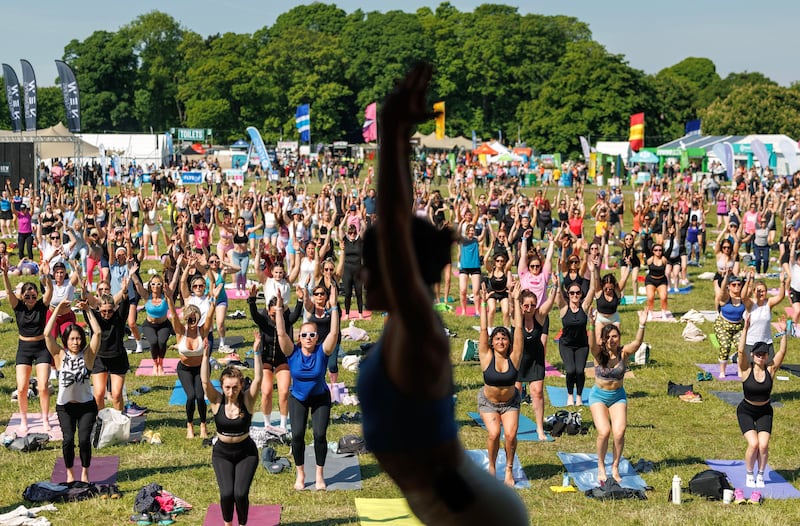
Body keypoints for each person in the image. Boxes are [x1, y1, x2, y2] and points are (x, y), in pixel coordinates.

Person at [357, 63, 528, 525]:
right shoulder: (404, 328)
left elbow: (394, 225)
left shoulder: (419, 329)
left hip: (476, 514)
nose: (363, 279)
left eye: (372, 268)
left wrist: (392, 132)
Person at [274, 285, 339, 490]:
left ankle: (319, 475)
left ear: (317, 338)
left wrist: (335, 307)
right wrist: (278, 308)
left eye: (312, 335)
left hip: (320, 398)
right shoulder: (292, 353)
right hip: (298, 398)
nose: (308, 338)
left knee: (320, 435)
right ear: (299, 338)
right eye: (304, 335)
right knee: (298, 435)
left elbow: (335, 332)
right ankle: (300, 474)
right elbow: (281, 332)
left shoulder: (323, 351)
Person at [201, 331, 263, 526]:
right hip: (222, 453)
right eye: (227, 387)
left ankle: (243, 524)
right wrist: (205, 356)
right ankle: (228, 524)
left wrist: (257, 353)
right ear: (222, 386)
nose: (231, 391)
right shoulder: (217, 401)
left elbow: (259, 379)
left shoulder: (247, 400)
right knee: (227, 493)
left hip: (246, 452)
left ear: (241, 386)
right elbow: (204, 382)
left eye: (235, 387)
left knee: (240, 493)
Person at [588, 307, 649, 485]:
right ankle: (601, 466)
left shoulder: (624, 353)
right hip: (599, 396)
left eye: (615, 336)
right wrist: (591, 324)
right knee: (604, 432)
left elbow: (637, 343)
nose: (612, 340)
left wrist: (642, 324)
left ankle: (614, 466)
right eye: (608, 337)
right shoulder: (598, 354)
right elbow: (591, 343)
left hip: (617, 396)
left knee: (620, 432)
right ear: (604, 339)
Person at [44, 300, 102, 483]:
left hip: (86, 407)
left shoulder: (88, 355)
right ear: (66, 341)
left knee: (84, 440)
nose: (76, 342)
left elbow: (98, 333)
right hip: (65, 408)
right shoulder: (60, 355)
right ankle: (70, 473)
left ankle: (85, 473)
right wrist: (58, 311)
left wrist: (88, 311)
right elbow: (46, 334)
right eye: (72, 339)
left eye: (78, 338)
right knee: (68, 440)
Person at [476, 283, 524, 486]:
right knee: (495, 433)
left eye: (504, 338)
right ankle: (493, 467)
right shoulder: (486, 356)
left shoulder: (515, 356)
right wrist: (486, 302)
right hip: (489, 402)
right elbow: (484, 329)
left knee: (511, 436)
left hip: (511, 402)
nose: (501, 341)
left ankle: (509, 469)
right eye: (497, 338)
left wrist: (514, 300)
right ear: (492, 343)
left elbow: (519, 328)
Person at [736, 313, 789, 489]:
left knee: (764, 445)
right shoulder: (745, 370)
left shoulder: (771, 370)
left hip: (765, 410)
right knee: (754, 443)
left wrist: (783, 334)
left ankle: (760, 474)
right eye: (758, 354)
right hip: (746, 410)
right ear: (753, 356)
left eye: (763, 354)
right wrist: (745, 327)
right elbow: (741, 351)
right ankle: (749, 474)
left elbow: (782, 352)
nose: (761, 356)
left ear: (766, 356)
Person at [3, 259, 54, 434]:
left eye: (33, 296)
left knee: (43, 386)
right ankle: (24, 419)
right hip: (23, 348)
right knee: (22, 387)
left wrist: (45, 275)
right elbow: (9, 291)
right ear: (22, 296)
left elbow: (50, 291)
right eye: (27, 296)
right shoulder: (18, 308)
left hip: (41, 347)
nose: (31, 299)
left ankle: (45, 418)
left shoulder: (41, 305)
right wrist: (4, 273)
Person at [248, 284, 304, 430]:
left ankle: (283, 424)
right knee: (266, 391)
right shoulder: (264, 320)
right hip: (266, 360)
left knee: (284, 392)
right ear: (268, 311)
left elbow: (296, 314)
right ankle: (267, 424)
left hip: (282, 360)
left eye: (276, 314)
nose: (274, 318)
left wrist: (300, 300)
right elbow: (254, 315)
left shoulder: (286, 319)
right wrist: (252, 300)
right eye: (272, 314)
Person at [167, 281, 218, 439]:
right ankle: (190, 425)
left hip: (201, 367)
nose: (192, 323)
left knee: (200, 396)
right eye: (189, 319)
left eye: (194, 319)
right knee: (190, 396)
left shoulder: (202, 331)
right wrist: (169, 298)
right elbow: (174, 315)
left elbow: (209, 316)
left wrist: (214, 301)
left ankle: (203, 424)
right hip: (185, 369)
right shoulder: (180, 332)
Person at [515, 279, 558, 442]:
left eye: (532, 305)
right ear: (521, 306)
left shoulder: (539, 317)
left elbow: (549, 304)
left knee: (537, 393)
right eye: (526, 305)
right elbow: (513, 308)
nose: (529, 308)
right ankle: (514, 426)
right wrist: (514, 296)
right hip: (518, 360)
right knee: (515, 394)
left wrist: (554, 287)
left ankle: (539, 428)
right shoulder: (516, 318)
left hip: (535, 360)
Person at [556, 266, 597, 406]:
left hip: (581, 345)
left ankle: (578, 396)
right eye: (572, 293)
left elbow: (592, 290)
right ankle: (569, 396)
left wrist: (592, 271)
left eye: (577, 293)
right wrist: (557, 285)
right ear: (568, 294)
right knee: (570, 370)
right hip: (566, 345)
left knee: (579, 371)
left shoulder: (584, 307)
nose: (574, 296)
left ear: (580, 294)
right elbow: (558, 297)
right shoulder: (563, 308)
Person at [714, 272, 750, 378]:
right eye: (734, 285)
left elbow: (749, 289)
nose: (737, 287)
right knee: (725, 346)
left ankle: (740, 370)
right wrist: (726, 277)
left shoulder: (743, 298)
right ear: (729, 286)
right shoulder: (725, 297)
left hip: (738, 327)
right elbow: (722, 290)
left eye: (739, 284)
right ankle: (722, 371)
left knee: (741, 349)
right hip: (723, 326)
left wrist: (748, 279)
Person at [645, 243, 669, 319]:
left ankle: (664, 312)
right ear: (653, 251)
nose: (658, 252)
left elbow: (670, 248)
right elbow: (645, 247)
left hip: (662, 281)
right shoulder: (650, 259)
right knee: (651, 297)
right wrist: (646, 235)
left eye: (660, 250)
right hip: (650, 280)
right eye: (656, 250)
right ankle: (650, 313)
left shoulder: (664, 259)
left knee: (663, 297)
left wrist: (672, 236)